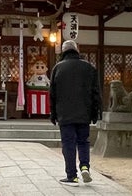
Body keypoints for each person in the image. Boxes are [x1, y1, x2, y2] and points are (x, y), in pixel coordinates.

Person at [49, 40, 103, 186]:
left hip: (64, 114)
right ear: (77, 50)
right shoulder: (89, 67)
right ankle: (85, 166)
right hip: (84, 113)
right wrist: (96, 113)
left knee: (68, 143)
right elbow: (96, 92)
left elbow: (52, 94)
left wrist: (53, 114)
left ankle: (72, 175)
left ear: (63, 51)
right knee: (83, 141)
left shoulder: (57, 68)